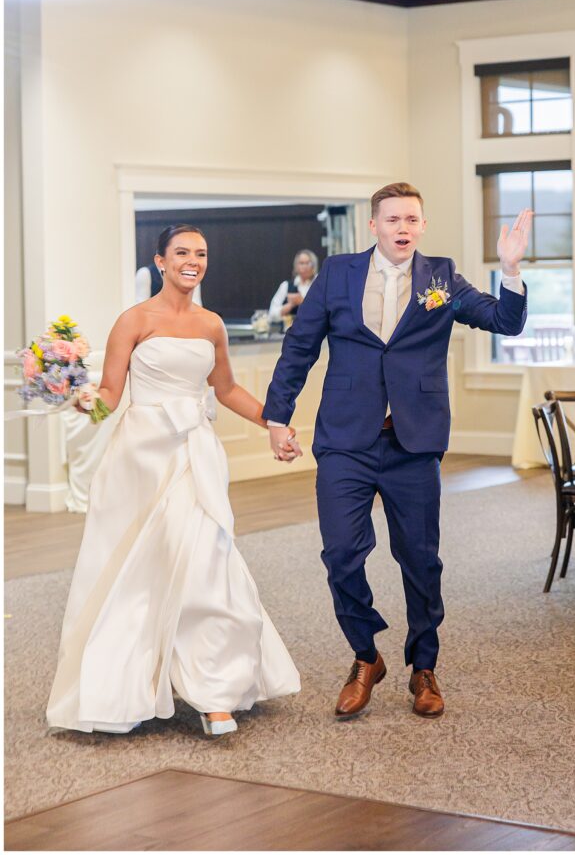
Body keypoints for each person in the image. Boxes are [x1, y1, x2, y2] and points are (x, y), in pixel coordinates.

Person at [263, 183, 532, 719]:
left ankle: (423, 668)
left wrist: (510, 270)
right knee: (341, 554)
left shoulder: (442, 277)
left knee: (420, 560)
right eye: (392, 220)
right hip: (345, 439)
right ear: (374, 226)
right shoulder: (338, 273)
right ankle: (366, 656)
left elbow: (505, 321)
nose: (402, 228)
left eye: (411, 219)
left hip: (413, 439)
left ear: (423, 225)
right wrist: (277, 417)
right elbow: (301, 346)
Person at [47, 224, 301, 737]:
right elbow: (110, 397)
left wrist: (275, 423)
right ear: (161, 261)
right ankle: (129, 686)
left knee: (208, 559)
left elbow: (226, 389)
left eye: (201, 253)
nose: (193, 260)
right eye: (182, 252)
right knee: (143, 569)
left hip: (196, 454)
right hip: (142, 458)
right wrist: (74, 395)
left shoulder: (211, 325)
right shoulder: (134, 320)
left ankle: (215, 693)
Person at [268, 249, 318, 323]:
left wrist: (302, 302)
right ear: (296, 266)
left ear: (314, 266)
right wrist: (290, 305)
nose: (304, 266)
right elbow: (272, 315)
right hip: (289, 331)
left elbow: (324, 313)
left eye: (308, 263)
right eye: (301, 263)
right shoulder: (286, 286)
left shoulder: (320, 285)